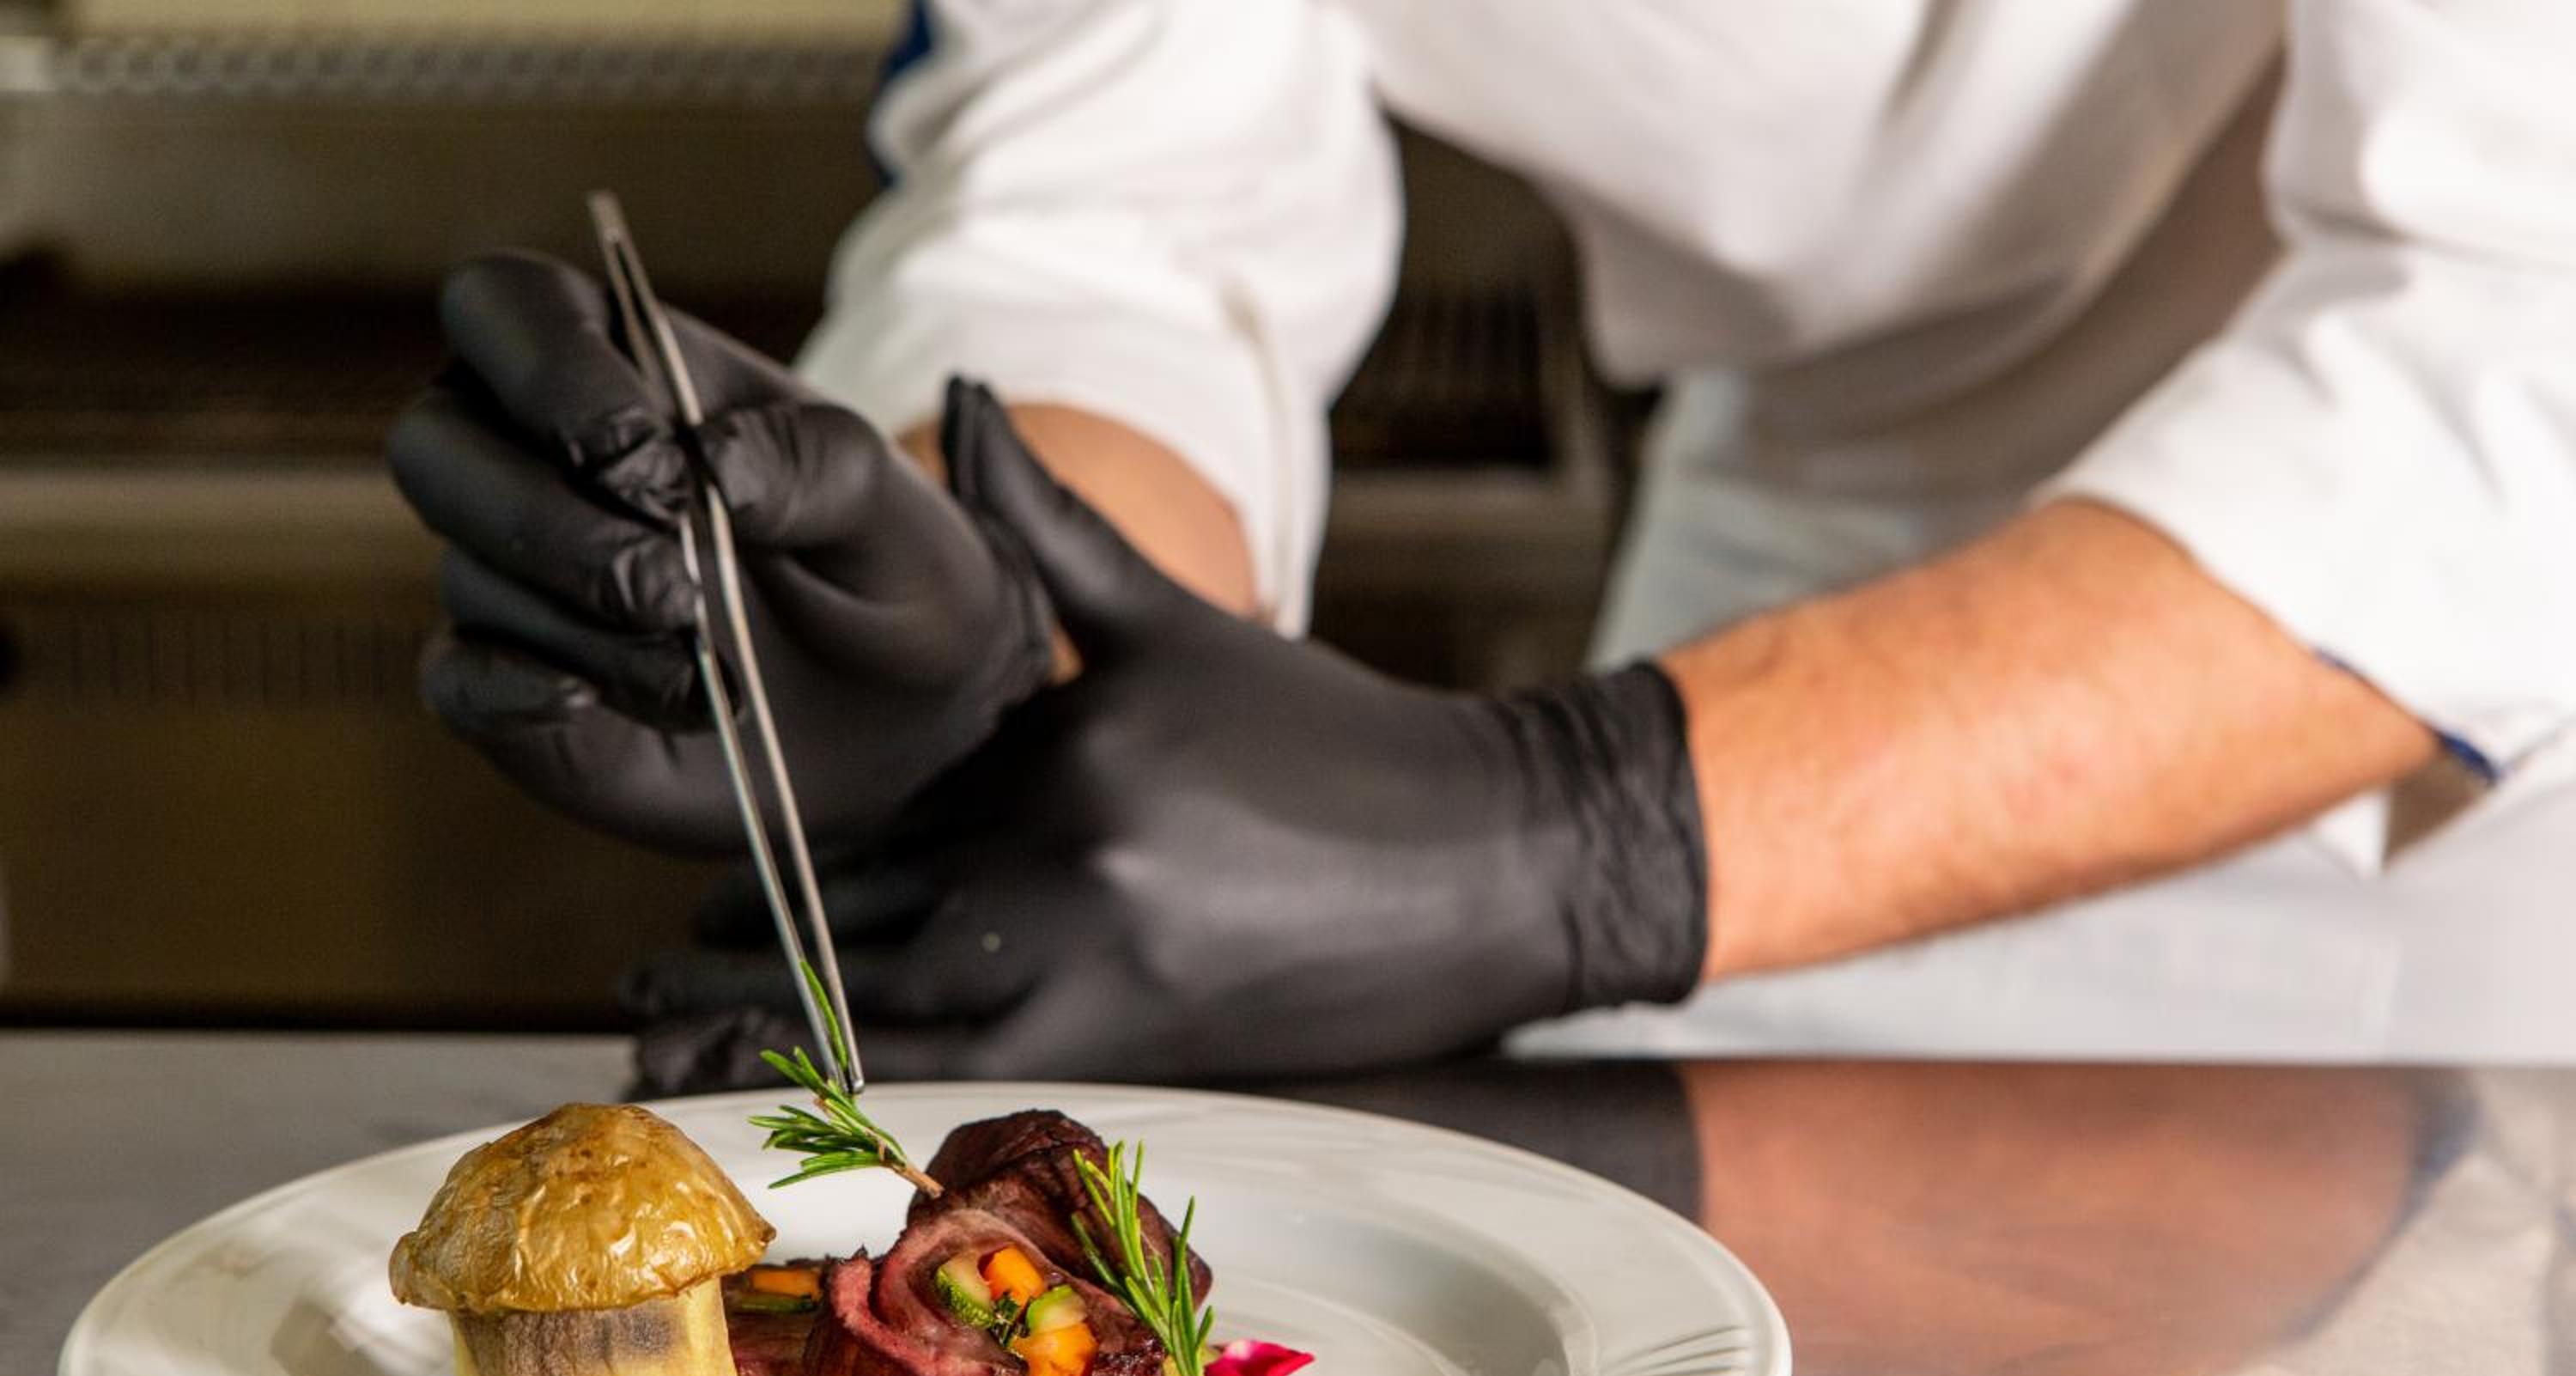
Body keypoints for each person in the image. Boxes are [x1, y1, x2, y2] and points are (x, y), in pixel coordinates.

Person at [388, 1, 2576, 1081]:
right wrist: (988, 596)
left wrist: (1593, 831)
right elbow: (1129, 197)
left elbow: (2519, 318)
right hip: (1800, 530)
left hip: (2427, 689)